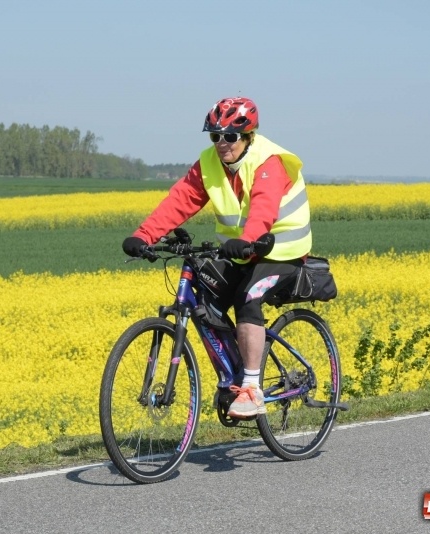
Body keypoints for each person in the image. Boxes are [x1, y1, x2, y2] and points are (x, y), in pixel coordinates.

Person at [122, 97, 312, 418]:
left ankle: (251, 388)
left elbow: (263, 208)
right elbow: (180, 200)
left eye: (230, 136)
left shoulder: (269, 162)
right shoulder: (209, 163)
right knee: (208, 298)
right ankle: (233, 373)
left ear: (248, 136)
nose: (222, 143)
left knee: (247, 298)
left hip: (281, 251)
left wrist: (249, 240)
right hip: (241, 252)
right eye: (215, 136)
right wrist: (144, 236)